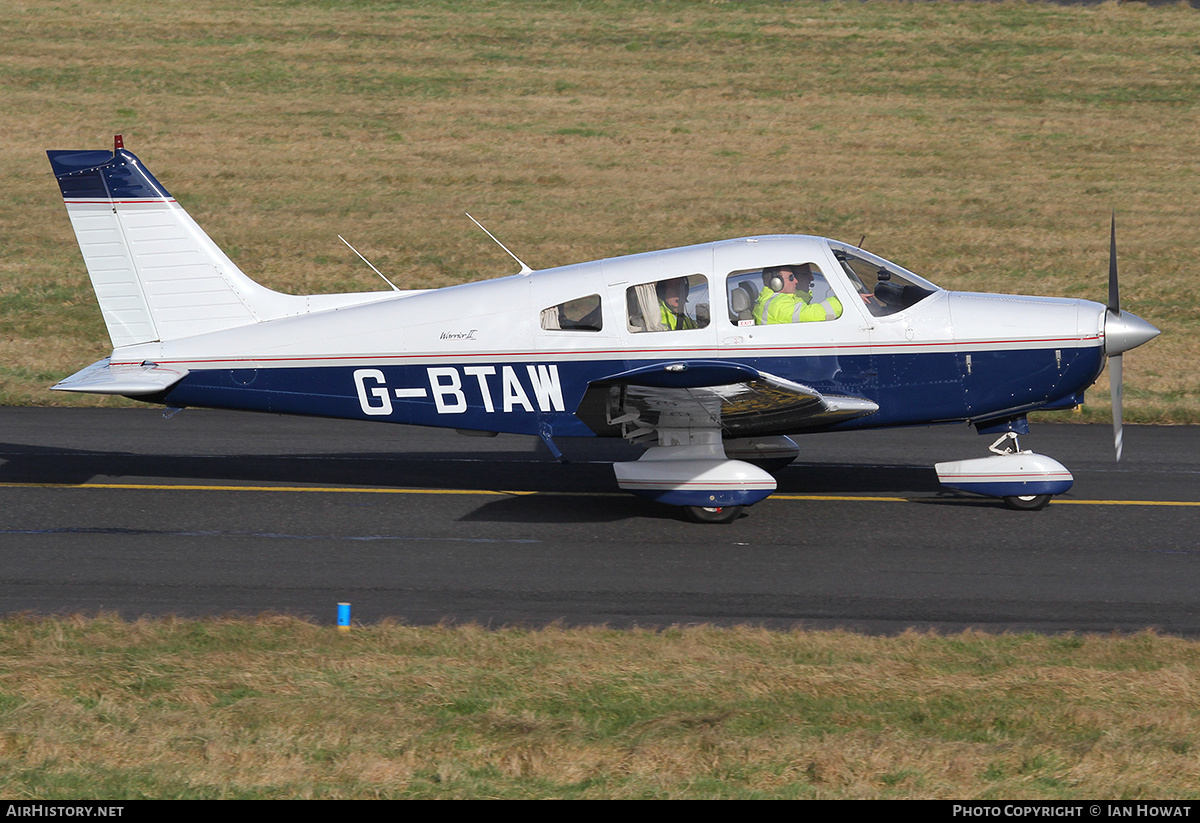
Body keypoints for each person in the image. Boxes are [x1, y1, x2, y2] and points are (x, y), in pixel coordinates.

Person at [752, 263, 842, 325]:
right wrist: (843, 299)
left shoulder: (772, 299)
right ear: (777, 282)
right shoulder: (777, 305)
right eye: (791, 278)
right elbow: (816, 314)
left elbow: (797, 300)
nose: (796, 281)